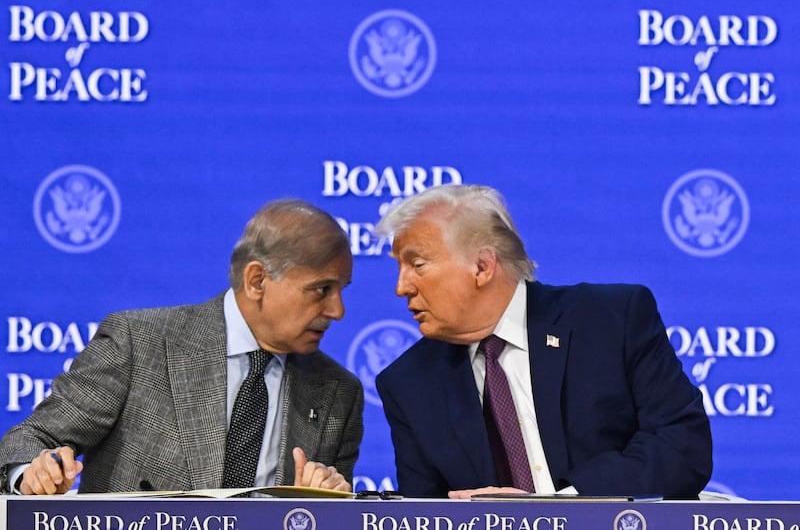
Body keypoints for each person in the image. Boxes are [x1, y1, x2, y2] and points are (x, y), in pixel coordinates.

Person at [0, 198, 364, 495]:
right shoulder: (138, 343)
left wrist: (322, 501)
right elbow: (34, 437)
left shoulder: (338, 393)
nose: (337, 310)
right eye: (321, 290)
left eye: (341, 291)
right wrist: (32, 472)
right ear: (257, 281)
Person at [374, 184, 712, 499]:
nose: (401, 287)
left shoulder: (611, 321)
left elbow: (682, 448)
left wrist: (558, 507)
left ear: (482, 266)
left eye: (417, 265)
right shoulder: (410, 383)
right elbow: (422, 514)